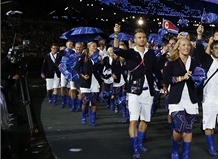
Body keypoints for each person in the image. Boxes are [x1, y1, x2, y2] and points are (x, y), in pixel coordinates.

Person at [113, 24, 162, 159]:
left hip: (148, 92)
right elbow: (116, 49)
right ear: (135, 39)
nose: (142, 39)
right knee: (133, 120)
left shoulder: (151, 53)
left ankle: (140, 144)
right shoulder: (130, 52)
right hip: (134, 91)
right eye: (139, 37)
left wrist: (162, 83)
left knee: (145, 120)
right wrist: (116, 34)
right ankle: (135, 148)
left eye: (144, 37)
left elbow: (156, 70)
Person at [163, 33, 200, 159]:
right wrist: (181, 78)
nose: (186, 47)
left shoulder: (194, 61)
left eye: (188, 45)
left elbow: (199, 77)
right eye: (184, 45)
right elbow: (166, 79)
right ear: (178, 47)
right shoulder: (171, 61)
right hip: (176, 99)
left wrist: (198, 78)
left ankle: (185, 155)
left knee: (188, 128)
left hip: (191, 98)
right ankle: (175, 148)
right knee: (180, 126)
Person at [74, 41, 102, 126]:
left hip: (95, 81)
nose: (95, 47)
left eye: (96, 46)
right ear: (89, 47)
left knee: (94, 102)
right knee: (85, 102)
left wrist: (101, 63)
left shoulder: (98, 56)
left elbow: (100, 69)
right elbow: (77, 67)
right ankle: (83, 116)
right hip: (85, 82)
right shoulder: (84, 56)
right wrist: (82, 75)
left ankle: (93, 120)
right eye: (93, 46)